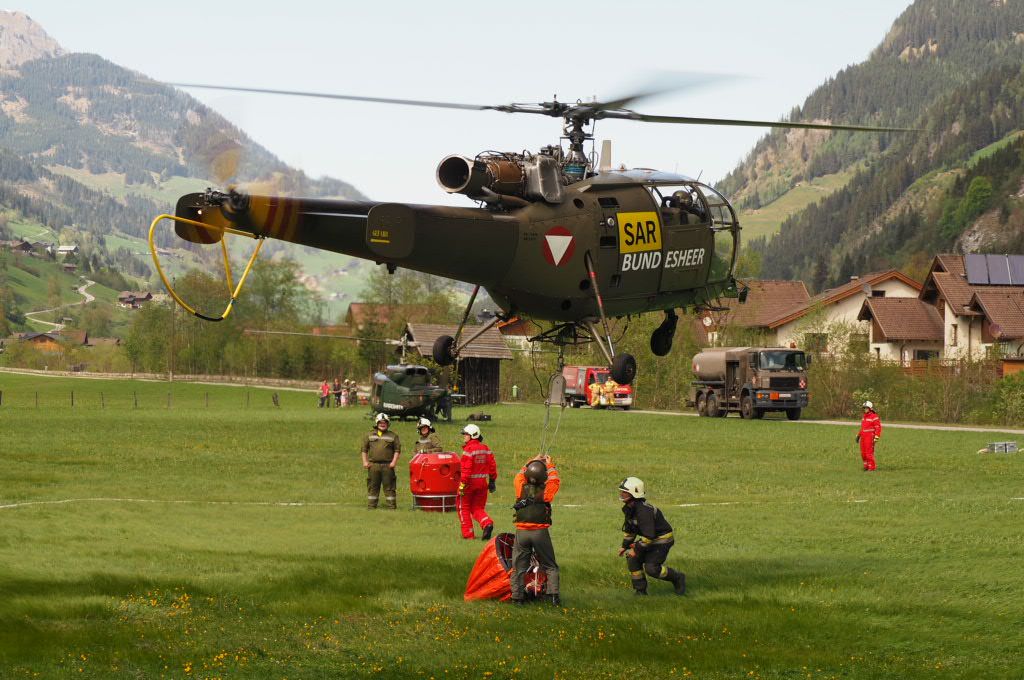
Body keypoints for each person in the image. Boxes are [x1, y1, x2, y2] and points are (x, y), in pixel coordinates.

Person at [618, 477, 686, 596]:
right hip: (650, 539)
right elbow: (630, 530)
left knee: (652, 569)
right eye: (621, 491)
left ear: (634, 493)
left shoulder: (644, 511)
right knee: (632, 559)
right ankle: (640, 591)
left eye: (625, 492)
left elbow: (649, 535)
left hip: (662, 540)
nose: (621, 494)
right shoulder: (629, 508)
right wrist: (625, 546)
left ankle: (677, 577)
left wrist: (636, 549)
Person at [511, 454, 561, 606]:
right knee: (550, 565)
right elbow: (554, 481)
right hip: (540, 533)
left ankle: (517, 598)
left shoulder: (520, 487)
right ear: (543, 476)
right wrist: (550, 465)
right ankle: (553, 596)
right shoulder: (546, 492)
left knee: (518, 567)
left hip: (521, 532)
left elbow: (519, 474)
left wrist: (532, 460)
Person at [458, 424, 497, 540]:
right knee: (477, 508)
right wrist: (492, 481)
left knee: (463, 507)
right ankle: (487, 523)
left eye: (466, 434)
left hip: (468, 485)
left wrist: (462, 485)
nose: (464, 436)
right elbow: (492, 466)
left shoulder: (468, 450)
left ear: (472, 435)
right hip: (482, 484)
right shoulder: (485, 449)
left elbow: (466, 470)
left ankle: (468, 534)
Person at [360, 413, 401, 509]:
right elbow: (364, 450)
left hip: (388, 466)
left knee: (389, 487)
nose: (383, 424)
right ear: (377, 423)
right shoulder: (369, 435)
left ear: (388, 424)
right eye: (380, 422)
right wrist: (365, 462)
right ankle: (371, 506)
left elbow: (397, 450)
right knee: (373, 486)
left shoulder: (393, 436)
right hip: (373, 466)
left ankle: (391, 507)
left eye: (385, 423)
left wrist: (394, 462)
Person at [856, 400, 882, 471]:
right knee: (863, 453)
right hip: (863, 437)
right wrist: (858, 435)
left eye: (866, 408)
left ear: (870, 408)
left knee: (869, 453)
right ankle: (866, 466)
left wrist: (876, 437)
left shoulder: (874, 416)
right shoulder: (864, 417)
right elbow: (863, 428)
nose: (865, 409)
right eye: (864, 408)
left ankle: (872, 467)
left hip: (870, 437)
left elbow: (878, 427)